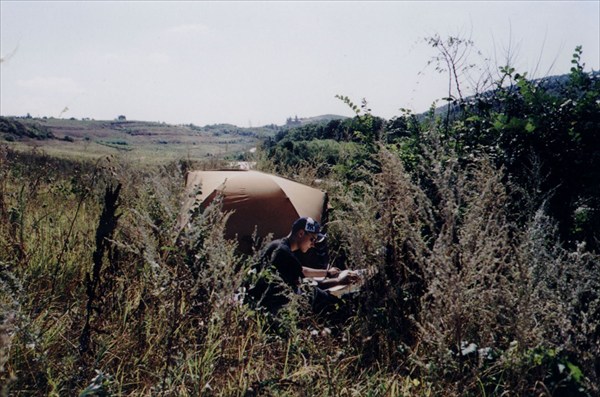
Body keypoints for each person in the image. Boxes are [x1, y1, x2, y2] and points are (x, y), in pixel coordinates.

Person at [244, 217, 359, 315]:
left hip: (259, 301)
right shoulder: (283, 252)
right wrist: (338, 281)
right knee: (328, 302)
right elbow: (306, 283)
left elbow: (302, 270)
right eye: (312, 239)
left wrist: (328, 273)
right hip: (266, 306)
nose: (313, 244)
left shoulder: (279, 246)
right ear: (300, 234)